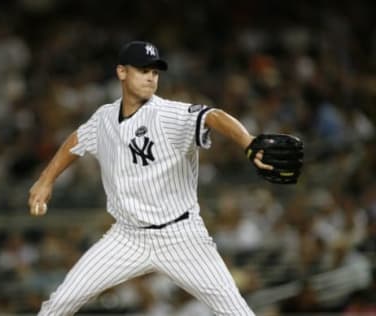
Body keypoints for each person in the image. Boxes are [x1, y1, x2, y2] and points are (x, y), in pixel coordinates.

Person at [28, 40, 273, 316]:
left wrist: (248, 141)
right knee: (59, 304)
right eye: (143, 70)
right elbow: (76, 140)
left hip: (181, 236)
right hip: (126, 237)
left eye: (155, 72)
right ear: (122, 72)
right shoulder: (104, 118)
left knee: (235, 311)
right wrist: (46, 180)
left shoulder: (166, 114)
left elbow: (212, 116)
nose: (150, 77)